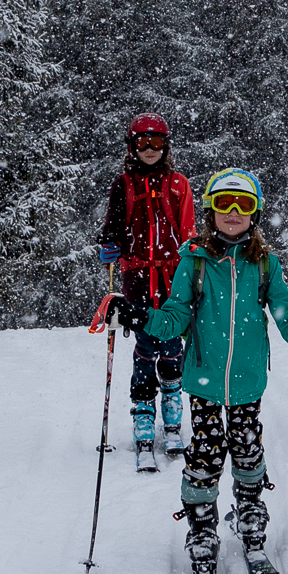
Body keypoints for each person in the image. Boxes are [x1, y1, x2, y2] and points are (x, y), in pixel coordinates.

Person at [107, 168, 288, 574]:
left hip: (247, 382)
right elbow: (174, 317)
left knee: (247, 454)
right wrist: (139, 316)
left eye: (243, 206)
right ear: (209, 210)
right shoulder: (194, 261)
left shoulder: (265, 263)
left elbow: (284, 309)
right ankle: (203, 534)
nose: (233, 214)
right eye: (224, 204)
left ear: (255, 214)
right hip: (204, 382)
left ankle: (250, 524)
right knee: (206, 456)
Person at [98, 112, 197, 460]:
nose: (150, 149)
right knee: (145, 346)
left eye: (157, 142)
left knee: (171, 345)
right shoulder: (123, 184)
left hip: (173, 279)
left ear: (166, 146)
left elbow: (188, 232)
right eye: (143, 142)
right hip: (138, 278)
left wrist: (194, 265)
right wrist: (109, 244)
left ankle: (172, 413)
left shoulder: (178, 184)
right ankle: (143, 418)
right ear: (132, 147)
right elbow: (113, 224)